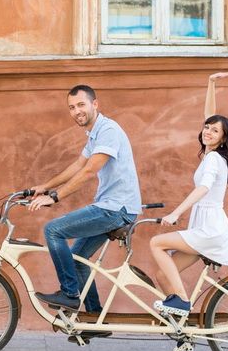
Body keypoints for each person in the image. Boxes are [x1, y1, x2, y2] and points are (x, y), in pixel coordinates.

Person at [27, 84, 142, 312]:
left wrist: (55, 197)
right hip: (110, 206)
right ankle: (94, 317)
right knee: (78, 257)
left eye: (81, 105)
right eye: (71, 107)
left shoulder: (108, 130)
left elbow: (89, 170)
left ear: (95, 104)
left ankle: (70, 293)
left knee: (53, 230)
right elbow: (79, 164)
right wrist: (44, 187)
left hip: (115, 208)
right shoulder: (95, 133)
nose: (77, 111)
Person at [150, 72, 228, 316]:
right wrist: (210, 83)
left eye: (215, 131)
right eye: (206, 127)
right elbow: (209, 116)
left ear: (222, 139)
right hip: (204, 228)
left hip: (209, 230)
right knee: (162, 273)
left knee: (156, 243)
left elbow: (203, 189)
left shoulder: (213, 159)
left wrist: (176, 213)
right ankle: (182, 319)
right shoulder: (213, 156)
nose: (208, 131)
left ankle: (182, 305)